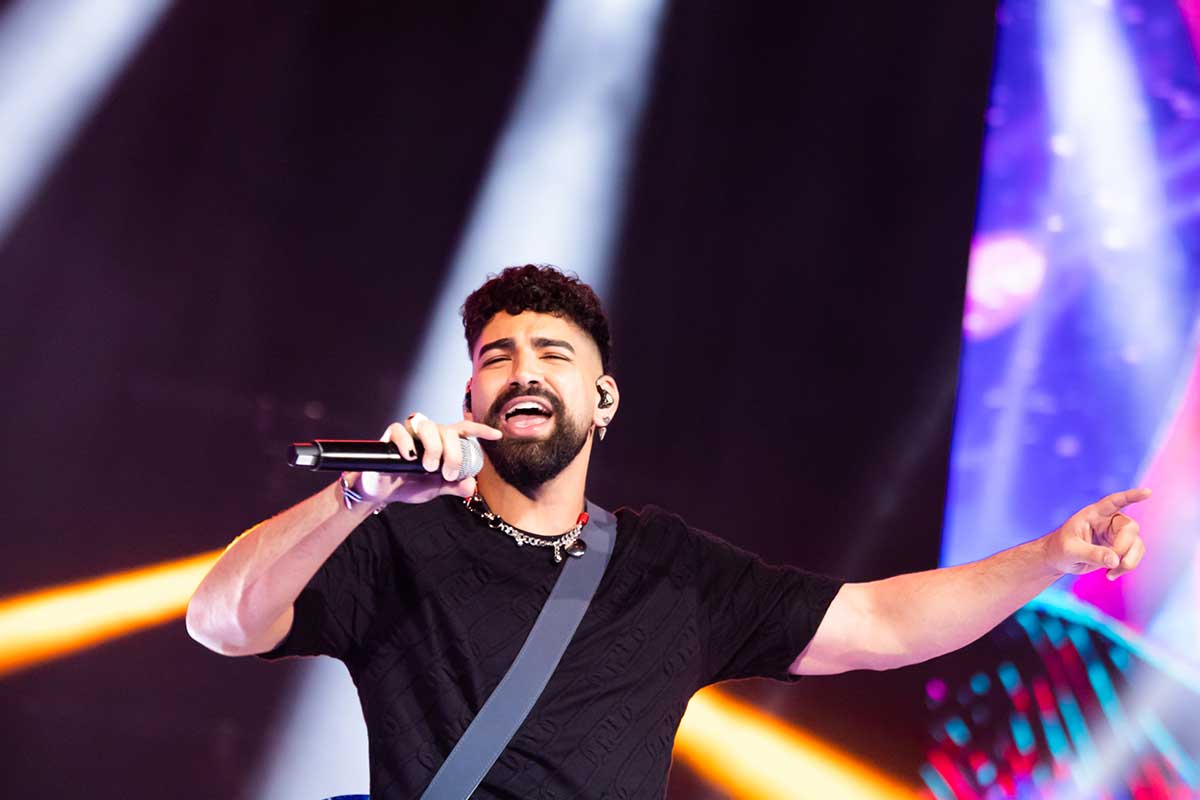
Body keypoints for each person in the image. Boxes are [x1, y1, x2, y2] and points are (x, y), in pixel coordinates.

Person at [186, 264, 1150, 799]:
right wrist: (357, 495)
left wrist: (1047, 558)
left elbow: (883, 625)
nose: (524, 371)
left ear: (602, 400)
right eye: (497, 356)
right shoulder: (391, 543)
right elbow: (218, 621)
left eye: (553, 353)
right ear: (469, 397)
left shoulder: (671, 572)